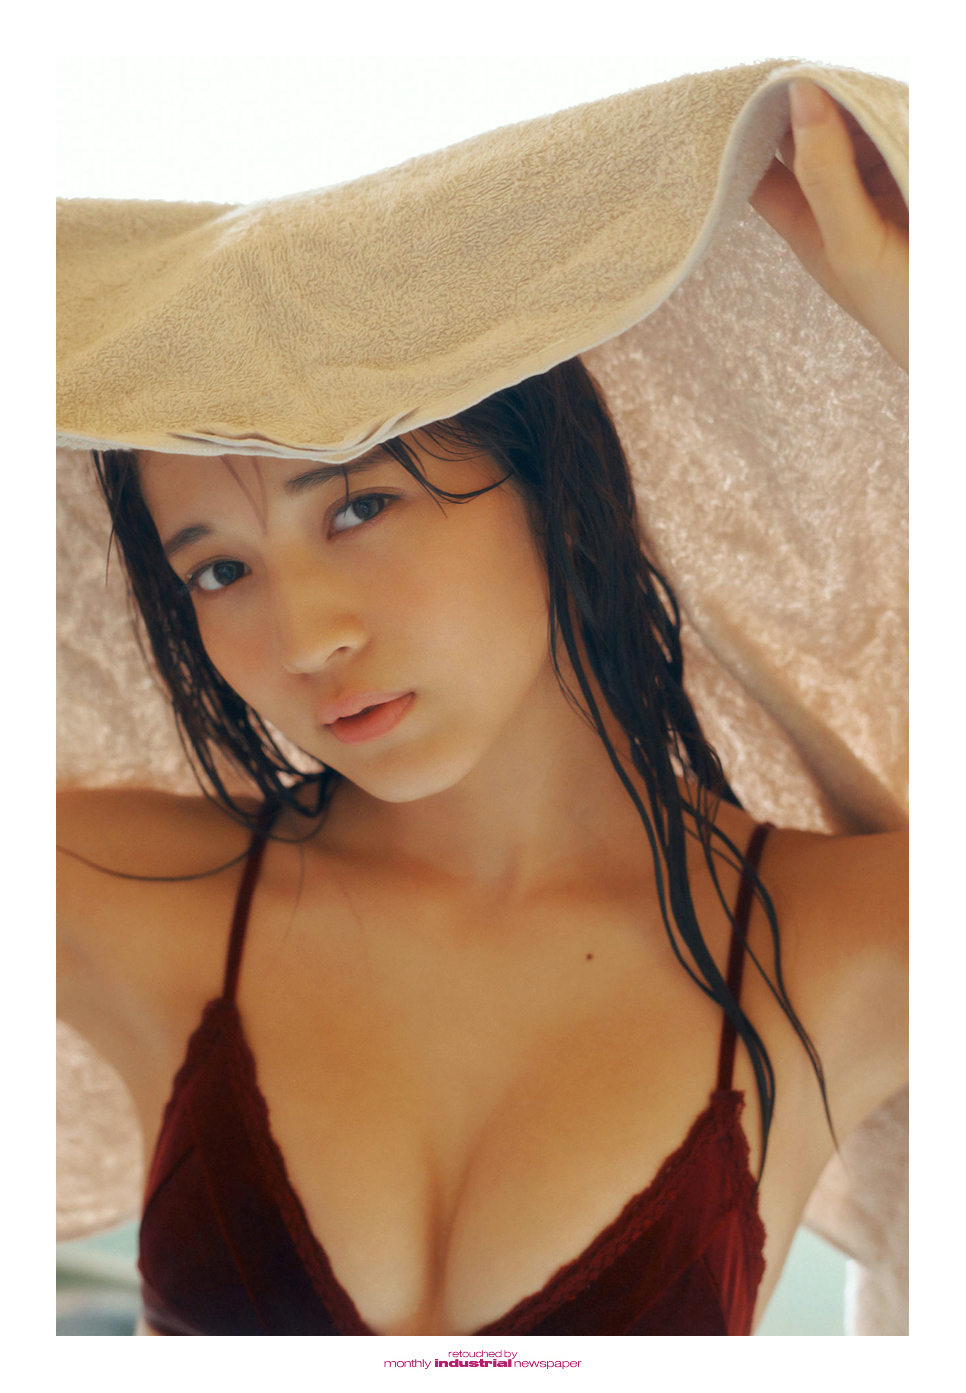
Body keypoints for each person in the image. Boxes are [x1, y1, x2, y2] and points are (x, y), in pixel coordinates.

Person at [56, 79, 907, 1336]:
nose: (304, 636)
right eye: (220, 571)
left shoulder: (830, 945)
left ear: (553, 485)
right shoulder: (129, 897)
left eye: (360, 506)